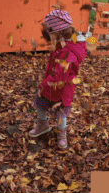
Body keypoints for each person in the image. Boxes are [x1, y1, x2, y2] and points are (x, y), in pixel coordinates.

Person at [29, 9, 87, 150]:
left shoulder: (68, 52)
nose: (48, 36)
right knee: (41, 102)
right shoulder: (62, 44)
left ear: (59, 32)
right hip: (51, 83)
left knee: (61, 111)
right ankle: (43, 125)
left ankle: (62, 132)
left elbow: (59, 76)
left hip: (61, 88)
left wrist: (43, 86)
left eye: (50, 33)